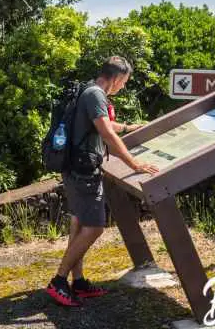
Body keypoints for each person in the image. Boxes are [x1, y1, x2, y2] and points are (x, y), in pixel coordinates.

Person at [45, 56, 159, 307]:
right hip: (84, 171)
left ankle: (79, 282)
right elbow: (106, 134)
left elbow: (104, 125)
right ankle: (59, 281)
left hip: (73, 167)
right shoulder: (96, 95)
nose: (123, 87)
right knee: (95, 227)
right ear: (117, 78)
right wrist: (134, 164)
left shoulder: (87, 90)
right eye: (124, 82)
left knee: (78, 222)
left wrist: (129, 127)